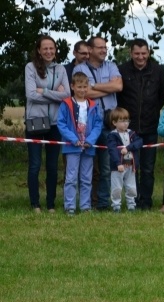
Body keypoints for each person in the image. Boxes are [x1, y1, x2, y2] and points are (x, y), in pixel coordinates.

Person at [116, 38, 164, 211]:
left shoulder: (158, 70)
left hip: (150, 127)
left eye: (144, 53)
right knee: (131, 167)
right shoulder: (122, 70)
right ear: (131, 53)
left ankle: (145, 202)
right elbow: (119, 97)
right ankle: (133, 201)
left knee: (147, 168)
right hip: (128, 130)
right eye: (137, 53)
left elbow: (162, 96)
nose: (140, 57)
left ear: (149, 53)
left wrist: (152, 113)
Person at [74, 35, 122, 211]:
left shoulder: (111, 66)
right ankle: (88, 203)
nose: (103, 50)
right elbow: (84, 93)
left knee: (107, 166)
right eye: (100, 47)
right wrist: (105, 87)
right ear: (91, 50)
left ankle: (103, 203)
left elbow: (118, 87)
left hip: (111, 122)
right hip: (90, 122)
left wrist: (95, 86)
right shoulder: (79, 69)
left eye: (105, 47)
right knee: (89, 166)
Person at [25, 34, 70, 213]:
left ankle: (51, 204)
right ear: (39, 50)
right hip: (35, 121)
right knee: (35, 164)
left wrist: (44, 90)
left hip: (55, 124)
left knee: (52, 166)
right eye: (45, 48)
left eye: (52, 48)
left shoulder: (61, 69)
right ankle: (35, 204)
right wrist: (55, 95)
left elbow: (67, 95)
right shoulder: (30, 67)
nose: (49, 51)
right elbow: (31, 95)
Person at [56, 71, 102, 215]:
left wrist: (90, 140)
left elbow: (97, 125)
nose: (82, 90)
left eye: (84, 87)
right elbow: (61, 124)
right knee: (70, 178)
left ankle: (85, 206)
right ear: (72, 86)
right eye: (79, 86)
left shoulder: (93, 105)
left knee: (86, 178)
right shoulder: (66, 104)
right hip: (72, 147)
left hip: (88, 147)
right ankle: (70, 206)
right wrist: (73, 139)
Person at [105, 107, 143, 212]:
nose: (125, 123)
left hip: (131, 165)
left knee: (131, 187)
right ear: (114, 122)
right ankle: (116, 206)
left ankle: (131, 205)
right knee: (116, 187)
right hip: (118, 167)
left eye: (127, 120)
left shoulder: (132, 133)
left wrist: (128, 148)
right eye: (122, 121)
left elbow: (139, 142)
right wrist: (118, 163)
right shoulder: (112, 136)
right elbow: (112, 150)